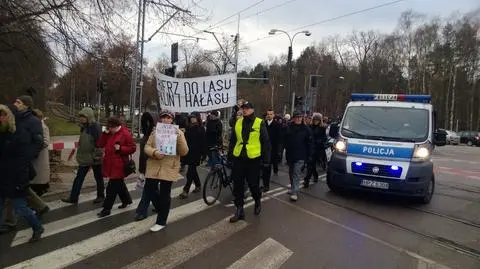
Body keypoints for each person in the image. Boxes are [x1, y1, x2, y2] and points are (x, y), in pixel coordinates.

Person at [0, 105, 44, 242]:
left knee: (21, 207)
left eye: (3, 115)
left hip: (16, 176)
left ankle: (37, 227)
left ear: (9, 117)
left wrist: (22, 180)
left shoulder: (18, 133)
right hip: (2, 176)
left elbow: (24, 159)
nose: (0, 118)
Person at [143, 110, 189, 232]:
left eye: (168, 118)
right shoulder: (155, 131)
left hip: (169, 166)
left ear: (172, 119)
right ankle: (162, 208)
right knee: (149, 190)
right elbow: (147, 147)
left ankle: (161, 221)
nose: (165, 120)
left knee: (165, 194)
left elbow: (184, 151)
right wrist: (154, 152)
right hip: (154, 164)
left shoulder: (178, 132)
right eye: (163, 117)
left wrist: (179, 136)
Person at [228, 102, 270, 223]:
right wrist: (230, 157)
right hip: (239, 158)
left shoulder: (259, 122)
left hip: (253, 160)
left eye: (247, 108)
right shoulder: (238, 122)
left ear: (252, 110)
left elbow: (265, 143)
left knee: (253, 185)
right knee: (238, 186)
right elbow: (233, 141)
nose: (244, 110)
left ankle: (257, 200)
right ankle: (239, 210)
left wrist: (266, 160)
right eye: (243, 108)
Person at [62, 107, 105, 204]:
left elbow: (99, 143)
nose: (81, 118)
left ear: (89, 116)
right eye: (80, 116)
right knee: (79, 177)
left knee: (98, 177)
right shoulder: (84, 126)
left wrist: (97, 156)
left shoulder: (95, 127)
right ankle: (73, 197)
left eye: (84, 116)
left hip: (94, 157)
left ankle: (101, 196)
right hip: (85, 157)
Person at [97, 117, 136, 218]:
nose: (110, 130)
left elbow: (133, 148)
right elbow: (100, 144)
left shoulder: (125, 134)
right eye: (109, 128)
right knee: (119, 184)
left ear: (116, 126)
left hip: (119, 164)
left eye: (111, 128)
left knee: (111, 188)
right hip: (110, 163)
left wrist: (121, 149)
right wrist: (105, 134)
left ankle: (106, 209)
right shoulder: (109, 133)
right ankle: (126, 200)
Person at [284, 111, 313, 201]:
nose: (298, 119)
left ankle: (295, 192)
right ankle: (293, 188)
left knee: (296, 173)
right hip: (290, 154)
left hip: (301, 155)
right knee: (291, 173)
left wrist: (310, 155)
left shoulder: (306, 129)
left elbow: (310, 143)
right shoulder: (288, 127)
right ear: (293, 118)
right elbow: (285, 139)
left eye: (300, 117)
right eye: (296, 117)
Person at [134, 111, 156, 221]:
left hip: (154, 166)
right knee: (153, 190)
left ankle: (142, 211)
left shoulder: (157, 135)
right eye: (146, 122)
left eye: (150, 123)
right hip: (145, 166)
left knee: (148, 189)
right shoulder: (147, 135)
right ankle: (159, 206)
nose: (147, 124)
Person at [179, 112, 206, 199]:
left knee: (190, 172)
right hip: (188, 152)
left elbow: (203, 142)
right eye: (191, 117)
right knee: (192, 170)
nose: (192, 119)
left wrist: (203, 154)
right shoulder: (187, 127)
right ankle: (198, 185)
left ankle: (186, 190)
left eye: (194, 117)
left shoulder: (201, 129)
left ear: (198, 118)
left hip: (196, 153)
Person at [30, 109, 51, 196]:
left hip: (39, 157)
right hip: (34, 157)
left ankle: (39, 204)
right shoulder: (32, 126)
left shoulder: (43, 127)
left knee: (39, 179)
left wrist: (34, 146)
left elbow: (46, 142)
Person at [304, 113, 328, 187]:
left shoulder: (322, 128)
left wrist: (318, 141)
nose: (316, 121)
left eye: (317, 120)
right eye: (315, 119)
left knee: (311, 164)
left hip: (317, 148)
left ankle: (306, 180)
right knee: (311, 164)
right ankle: (315, 175)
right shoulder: (310, 126)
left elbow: (324, 138)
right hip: (309, 147)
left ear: (320, 120)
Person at [261, 109, 281, 192]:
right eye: (268, 114)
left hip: (272, 150)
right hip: (262, 149)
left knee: (267, 168)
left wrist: (279, 151)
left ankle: (266, 185)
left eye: (271, 114)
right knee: (262, 168)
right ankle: (264, 183)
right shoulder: (263, 124)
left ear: (273, 115)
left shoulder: (277, 125)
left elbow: (279, 138)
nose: (269, 115)